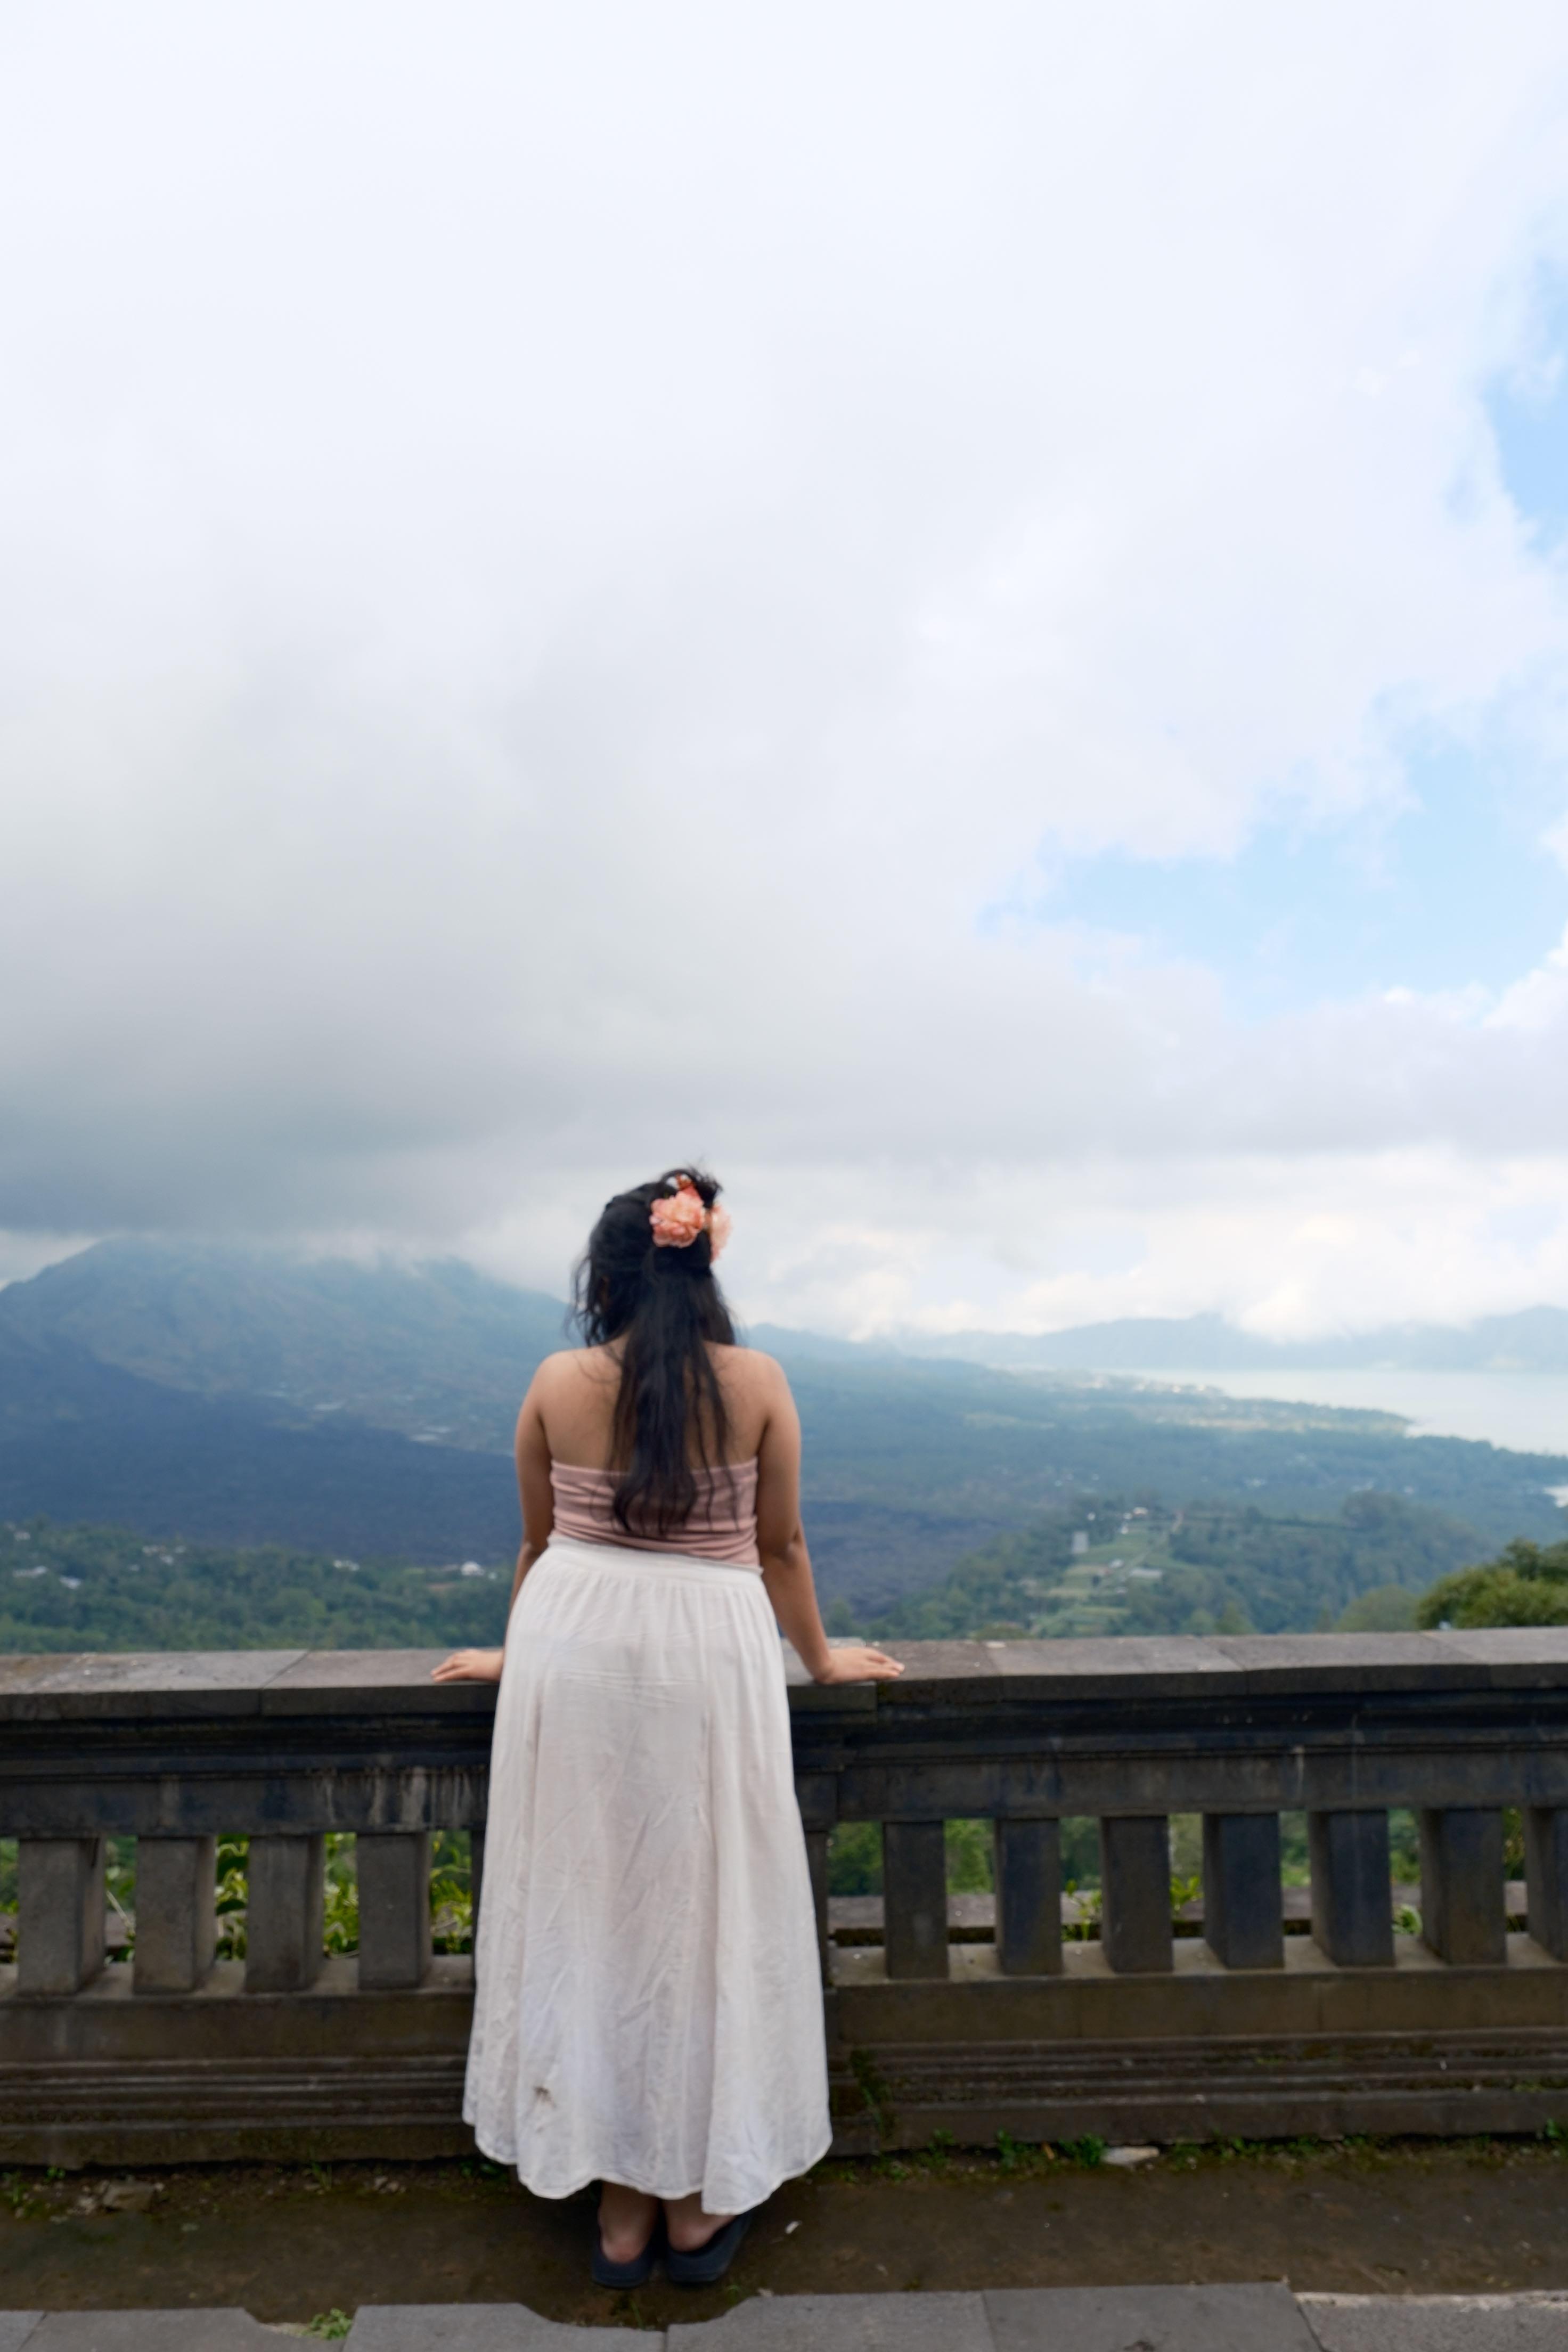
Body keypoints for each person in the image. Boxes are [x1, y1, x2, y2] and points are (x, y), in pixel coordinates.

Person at [432, 1167, 902, 2288]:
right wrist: (822, 1660)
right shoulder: (758, 1380)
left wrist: (520, 1650)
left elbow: (543, 1543)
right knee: (706, 1911)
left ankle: (618, 2206)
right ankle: (696, 2205)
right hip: (708, 1652)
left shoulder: (556, 1380)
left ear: (604, 1280)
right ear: (704, 1267)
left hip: (573, 1650)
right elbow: (779, 1546)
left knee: (587, 1904)